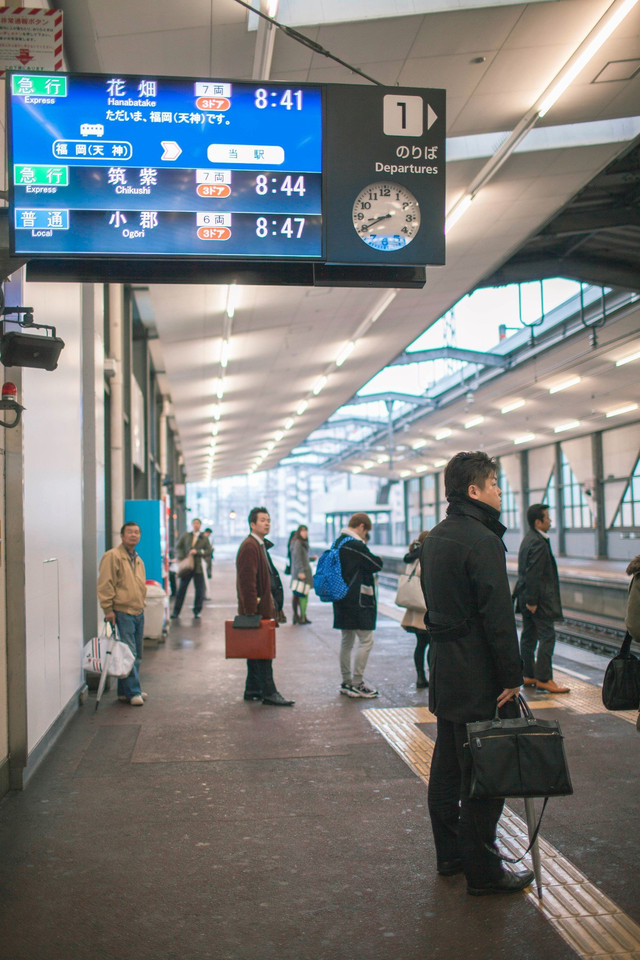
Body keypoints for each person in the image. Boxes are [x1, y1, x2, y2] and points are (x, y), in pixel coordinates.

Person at [420, 451, 533, 896]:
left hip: (445, 669)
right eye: (494, 483)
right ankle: (483, 872)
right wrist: (512, 674)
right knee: (488, 772)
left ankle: (450, 856)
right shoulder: (483, 540)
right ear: (474, 491)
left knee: (447, 769)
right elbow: (497, 618)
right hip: (478, 676)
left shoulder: (434, 538)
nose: (499, 491)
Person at [236, 506, 294, 706]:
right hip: (257, 610)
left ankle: (252, 689)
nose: (267, 523)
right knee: (264, 652)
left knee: (255, 650)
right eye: (262, 520)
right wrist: (252, 609)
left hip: (261, 608)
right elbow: (247, 581)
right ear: (252, 524)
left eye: (268, 520)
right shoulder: (250, 546)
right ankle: (269, 692)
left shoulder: (258, 544)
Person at [514, 503, 569, 694]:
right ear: (538, 521)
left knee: (529, 636)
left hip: (526, 597)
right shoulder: (538, 542)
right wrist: (532, 601)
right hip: (537, 600)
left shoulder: (529, 538)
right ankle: (544, 678)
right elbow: (534, 573)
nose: (550, 520)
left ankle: (528, 674)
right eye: (547, 517)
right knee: (547, 636)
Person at [97, 521, 148, 707]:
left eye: (137, 532)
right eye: (130, 532)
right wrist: (108, 610)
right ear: (122, 535)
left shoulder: (138, 559)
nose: (133, 535)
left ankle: (124, 691)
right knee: (130, 653)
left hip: (138, 610)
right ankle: (133, 691)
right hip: (123, 611)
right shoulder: (112, 556)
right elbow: (105, 584)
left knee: (137, 653)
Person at [333, 512, 383, 699]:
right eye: (366, 531)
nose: (365, 536)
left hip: (340, 598)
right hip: (358, 601)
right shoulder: (355, 545)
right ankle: (357, 682)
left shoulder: (338, 542)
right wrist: (365, 548)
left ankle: (346, 682)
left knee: (346, 641)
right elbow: (376, 564)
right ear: (361, 526)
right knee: (366, 640)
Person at [401, 531, 430, 688]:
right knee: (432, 645)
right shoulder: (425, 556)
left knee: (420, 644)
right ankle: (433, 677)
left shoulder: (412, 555)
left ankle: (420, 677)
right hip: (425, 606)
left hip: (415, 608)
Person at [171, 517, 213, 619]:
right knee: (181, 589)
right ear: (192, 524)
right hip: (187, 567)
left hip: (198, 567)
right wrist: (182, 557)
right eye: (194, 523)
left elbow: (208, 551)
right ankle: (176, 612)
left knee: (199, 590)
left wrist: (197, 552)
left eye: (198, 523)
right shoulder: (186, 536)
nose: (196, 525)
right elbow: (178, 547)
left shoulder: (204, 538)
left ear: (200, 525)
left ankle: (197, 611)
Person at [290, 525, 315, 624]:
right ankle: (300, 617)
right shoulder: (298, 543)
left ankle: (301, 616)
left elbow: (302, 558)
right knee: (300, 595)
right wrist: (300, 571)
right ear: (299, 532)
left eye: (306, 531)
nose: (305, 533)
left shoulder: (302, 543)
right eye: (303, 531)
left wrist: (311, 559)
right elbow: (297, 558)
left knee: (301, 595)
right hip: (300, 574)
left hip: (303, 572)